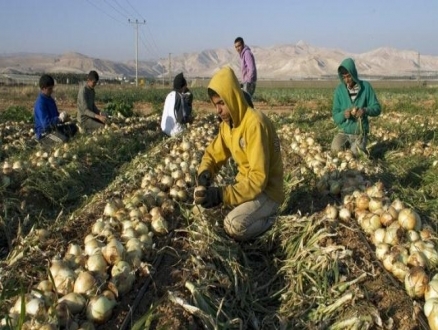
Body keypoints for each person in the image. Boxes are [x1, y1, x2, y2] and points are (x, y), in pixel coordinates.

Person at [194, 66, 284, 242]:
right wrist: (205, 172)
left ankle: (275, 221)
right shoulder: (228, 125)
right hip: (247, 186)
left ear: (233, 98)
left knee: (233, 225)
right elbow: (212, 155)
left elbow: (259, 179)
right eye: (215, 105)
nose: (218, 110)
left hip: (267, 192)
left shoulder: (254, 124)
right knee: (204, 212)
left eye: (221, 103)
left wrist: (222, 195)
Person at [331, 58, 381, 156]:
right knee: (335, 150)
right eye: (344, 77)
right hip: (344, 132)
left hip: (360, 133)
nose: (347, 80)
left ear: (353, 73)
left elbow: (377, 108)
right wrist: (343, 114)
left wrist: (365, 110)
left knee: (355, 154)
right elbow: (335, 115)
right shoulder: (339, 90)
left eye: (349, 76)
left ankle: (360, 148)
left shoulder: (366, 87)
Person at [34, 74, 78, 147]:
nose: (52, 91)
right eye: (49, 89)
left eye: (52, 88)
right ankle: (43, 143)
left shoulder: (50, 99)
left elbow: (56, 116)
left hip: (54, 129)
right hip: (44, 133)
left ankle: (58, 138)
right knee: (64, 140)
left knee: (73, 127)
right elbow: (46, 125)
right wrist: (59, 119)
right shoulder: (40, 103)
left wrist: (64, 118)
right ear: (43, 88)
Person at [161, 72, 193, 136]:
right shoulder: (179, 97)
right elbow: (182, 118)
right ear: (183, 87)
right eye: (185, 86)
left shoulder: (169, 95)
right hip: (175, 131)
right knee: (190, 130)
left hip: (164, 128)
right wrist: (189, 120)